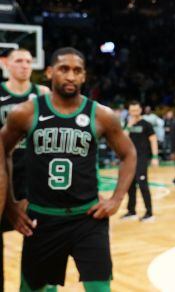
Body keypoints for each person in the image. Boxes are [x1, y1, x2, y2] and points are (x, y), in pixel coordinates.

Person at [0, 47, 136, 291]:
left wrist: (116, 199)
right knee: (32, 288)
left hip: (88, 219)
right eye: (64, 69)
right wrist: (10, 204)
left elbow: (129, 154)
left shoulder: (101, 115)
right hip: (41, 220)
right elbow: (3, 151)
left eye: (77, 71)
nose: (71, 76)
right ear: (50, 73)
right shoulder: (26, 113)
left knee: (100, 288)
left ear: (84, 76)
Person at [0, 48, 50, 289]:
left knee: (38, 244)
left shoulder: (43, 94)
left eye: (29, 61)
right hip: (2, 176)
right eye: (18, 60)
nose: (24, 65)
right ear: (6, 64)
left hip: (33, 179)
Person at [121, 100, 158, 222]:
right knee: (130, 186)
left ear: (140, 110)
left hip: (142, 158)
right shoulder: (127, 124)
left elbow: (153, 140)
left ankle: (149, 213)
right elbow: (123, 139)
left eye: (136, 110)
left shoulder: (146, 124)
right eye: (132, 110)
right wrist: (129, 126)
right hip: (129, 159)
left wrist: (155, 157)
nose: (134, 112)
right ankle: (131, 211)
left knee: (143, 185)